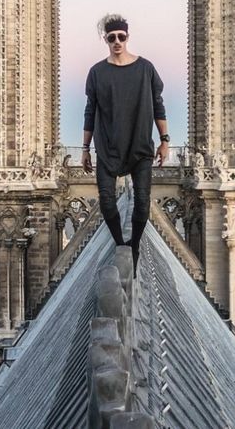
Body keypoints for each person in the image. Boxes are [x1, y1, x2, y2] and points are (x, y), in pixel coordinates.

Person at [82, 14, 170, 274]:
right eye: (112, 38)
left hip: (140, 146)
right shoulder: (97, 72)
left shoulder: (146, 68)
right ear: (106, 40)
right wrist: (85, 149)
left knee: (143, 202)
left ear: (127, 37)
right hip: (107, 146)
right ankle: (121, 243)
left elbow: (158, 106)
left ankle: (134, 247)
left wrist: (165, 141)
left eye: (121, 36)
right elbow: (90, 111)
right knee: (107, 201)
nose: (117, 41)